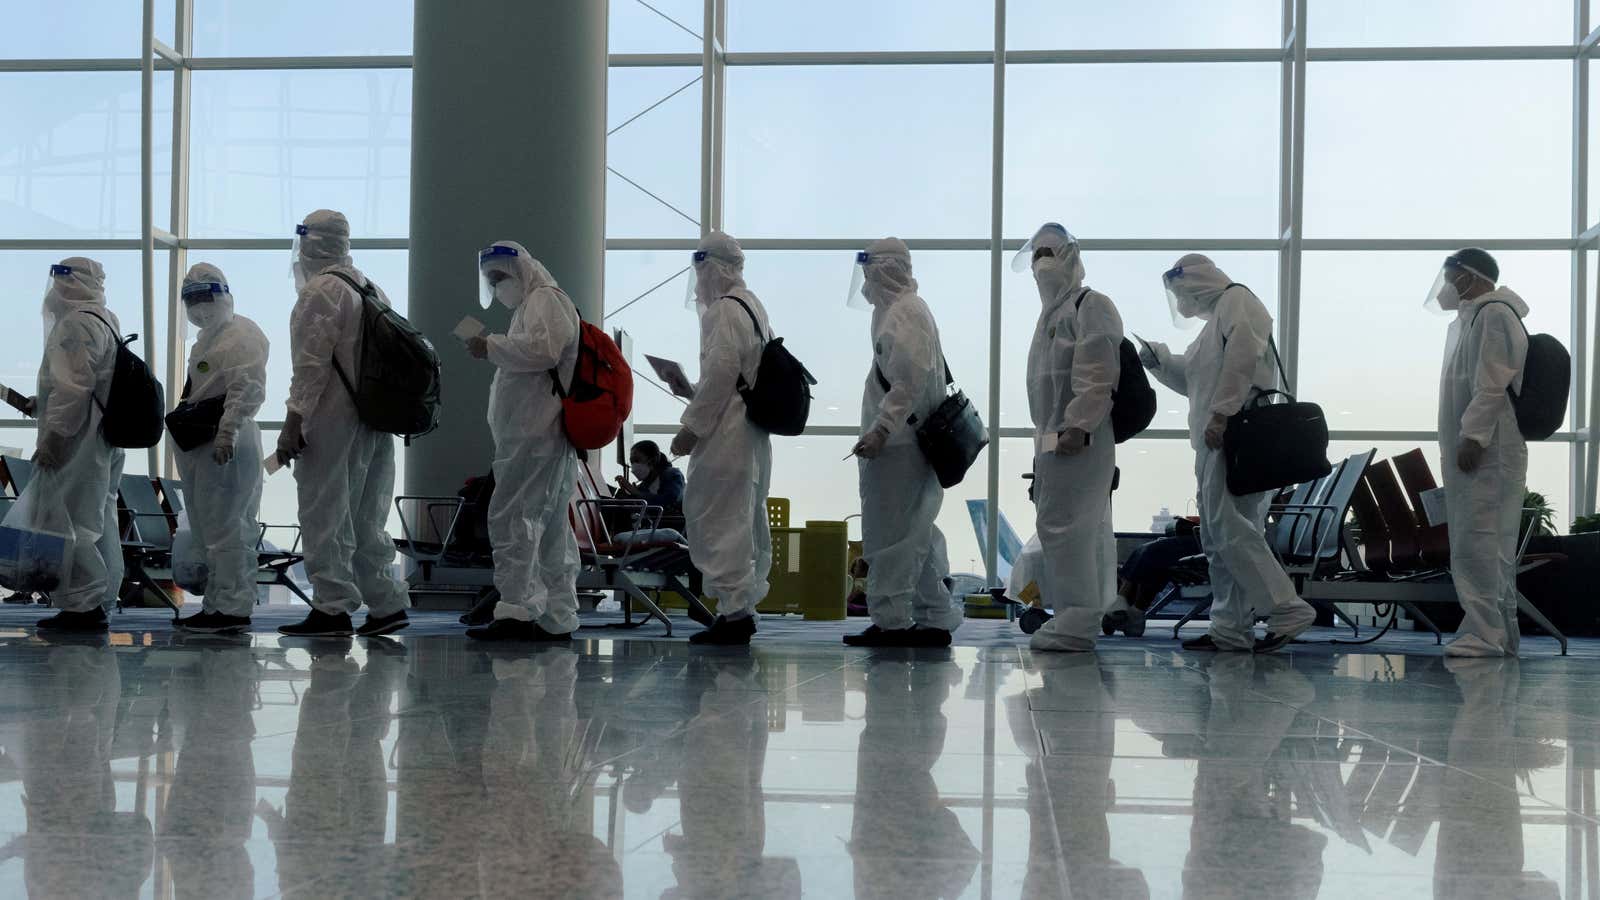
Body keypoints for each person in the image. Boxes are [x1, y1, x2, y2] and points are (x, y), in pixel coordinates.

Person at [1139, 254, 1316, 653]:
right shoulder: (1214, 322)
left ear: (1195, 280)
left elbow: (1241, 363)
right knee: (1219, 536)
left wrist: (1221, 415)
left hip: (1234, 435)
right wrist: (1160, 361)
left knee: (1229, 528)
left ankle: (1287, 608)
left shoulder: (1238, 302)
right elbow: (1194, 381)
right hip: (1217, 438)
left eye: (1181, 290)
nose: (1181, 301)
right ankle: (1230, 628)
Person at [275, 210, 410, 638]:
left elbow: (309, 367)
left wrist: (292, 423)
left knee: (325, 510)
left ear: (311, 244)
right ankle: (386, 603)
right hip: (373, 417)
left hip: (333, 417)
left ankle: (331, 607)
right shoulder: (372, 289)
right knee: (366, 516)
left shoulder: (322, 291)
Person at [843, 238, 963, 648]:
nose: (864, 282)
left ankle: (892, 621)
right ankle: (935, 617)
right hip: (901, 442)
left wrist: (881, 430)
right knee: (915, 534)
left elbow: (907, 383)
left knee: (890, 535)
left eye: (869, 271)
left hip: (899, 445)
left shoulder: (905, 313)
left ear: (884, 270)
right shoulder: (898, 312)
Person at [462, 241, 582, 643]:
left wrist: (490, 344)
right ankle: (556, 615)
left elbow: (546, 350)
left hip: (535, 435)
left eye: (500, 277)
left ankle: (516, 612)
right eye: (491, 279)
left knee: (514, 519)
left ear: (522, 270)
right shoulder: (530, 306)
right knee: (548, 531)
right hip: (535, 435)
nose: (496, 286)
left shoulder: (545, 299)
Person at [1017, 223, 1124, 652]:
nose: (1041, 262)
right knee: (1055, 526)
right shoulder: (1049, 317)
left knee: (1072, 529)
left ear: (1070, 257)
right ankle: (1072, 615)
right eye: (1035, 254)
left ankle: (1078, 621)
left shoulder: (1090, 305)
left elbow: (1097, 373)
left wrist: (1079, 425)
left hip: (1080, 439)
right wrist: (1043, 455)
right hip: (1052, 442)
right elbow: (1045, 393)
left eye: (1049, 252)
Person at [671, 232, 774, 646]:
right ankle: (738, 609)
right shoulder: (753, 307)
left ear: (713, 268)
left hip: (725, 436)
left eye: (700, 272)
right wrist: (690, 390)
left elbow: (721, 374)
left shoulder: (723, 312)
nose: (698, 284)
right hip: (747, 434)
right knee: (739, 520)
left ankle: (733, 614)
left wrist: (690, 428)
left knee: (718, 520)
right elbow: (736, 377)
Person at [1429, 248, 1529, 657]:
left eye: (1450, 277)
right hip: (1480, 446)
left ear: (1469, 276)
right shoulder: (1473, 318)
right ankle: (1498, 633)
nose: (1445, 287)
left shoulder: (1494, 315)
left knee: (1480, 542)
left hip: (1488, 448)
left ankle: (1485, 635)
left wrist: (1473, 437)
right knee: (1484, 542)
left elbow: (1491, 384)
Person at [28, 258, 126, 633]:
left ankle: (81, 606)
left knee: (71, 521)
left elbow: (72, 391)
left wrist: (52, 439)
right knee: (98, 518)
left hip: (77, 438)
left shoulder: (76, 324)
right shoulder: (105, 318)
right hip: (101, 437)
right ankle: (99, 599)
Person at [171, 264, 269, 634]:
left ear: (223, 295)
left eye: (204, 298)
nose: (199, 309)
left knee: (228, 527)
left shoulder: (239, 335)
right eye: (191, 301)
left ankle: (230, 608)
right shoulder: (208, 339)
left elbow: (247, 388)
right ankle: (219, 605)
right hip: (208, 445)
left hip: (226, 442)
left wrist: (227, 432)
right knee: (213, 527)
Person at [617, 439, 685, 513]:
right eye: (632, 462)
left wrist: (636, 493)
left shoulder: (672, 474)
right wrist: (625, 495)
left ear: (652, 460)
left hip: (674, 522)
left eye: (637, 460)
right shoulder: (645, 484)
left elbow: (669, 500)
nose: (634, 465)